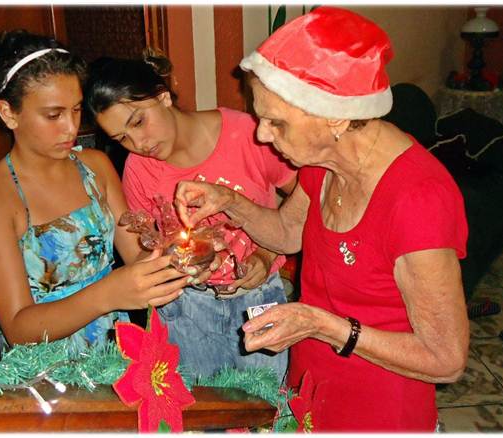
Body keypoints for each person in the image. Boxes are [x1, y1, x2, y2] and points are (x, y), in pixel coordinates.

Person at [173, 7, 469, 432]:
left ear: (336, 116)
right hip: (310, 389)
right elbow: (287, 233)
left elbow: (446, 359)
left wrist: (320, 324)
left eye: (276, 122)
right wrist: (228, 201)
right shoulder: (322, 161)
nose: (261, 134)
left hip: (380, 411)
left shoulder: (417, 199)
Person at [0, 30, 190, 354]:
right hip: (48, 369)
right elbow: (18, 327)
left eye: (76, 110)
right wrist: (108, 294)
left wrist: (182, 252)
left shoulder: (95, 167)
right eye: (53, 115)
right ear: (9, 113)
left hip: (114, 351)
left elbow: (137, 255)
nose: (71, 127)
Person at [83, 51, 297, 381]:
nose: (138, 143)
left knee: (265, 406)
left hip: (258, 300)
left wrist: (267, 254)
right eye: (121, 138)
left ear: (163, 96)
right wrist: (175, 259)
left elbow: (305, 201)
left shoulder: (246, 134)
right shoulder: (139, 170)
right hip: (187, 309)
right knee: (198, 408)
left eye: (138, 122)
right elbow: (142, 254)